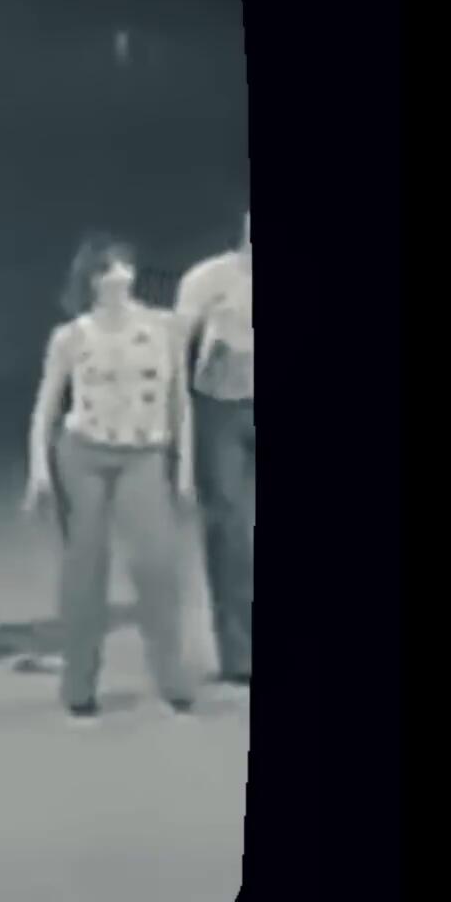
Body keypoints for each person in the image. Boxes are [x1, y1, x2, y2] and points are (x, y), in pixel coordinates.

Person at [22, 233, 197, 723]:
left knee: (156, 564)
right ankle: (79, 683)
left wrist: (184, 469)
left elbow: (180, 403)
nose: (119, 276)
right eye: (106, 268)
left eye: (124, 266)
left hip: (145, 453)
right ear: (91, 280)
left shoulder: (164, 329)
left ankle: (171, 677)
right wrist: (38, 468)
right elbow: (45, 407)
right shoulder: (71, 336)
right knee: (85, 568)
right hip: (84, 454)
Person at [175, 210, 254, 686]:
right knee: (228, 525)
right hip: (222, 408)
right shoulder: (208, 278)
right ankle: (239, 653)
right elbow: (175, 347)